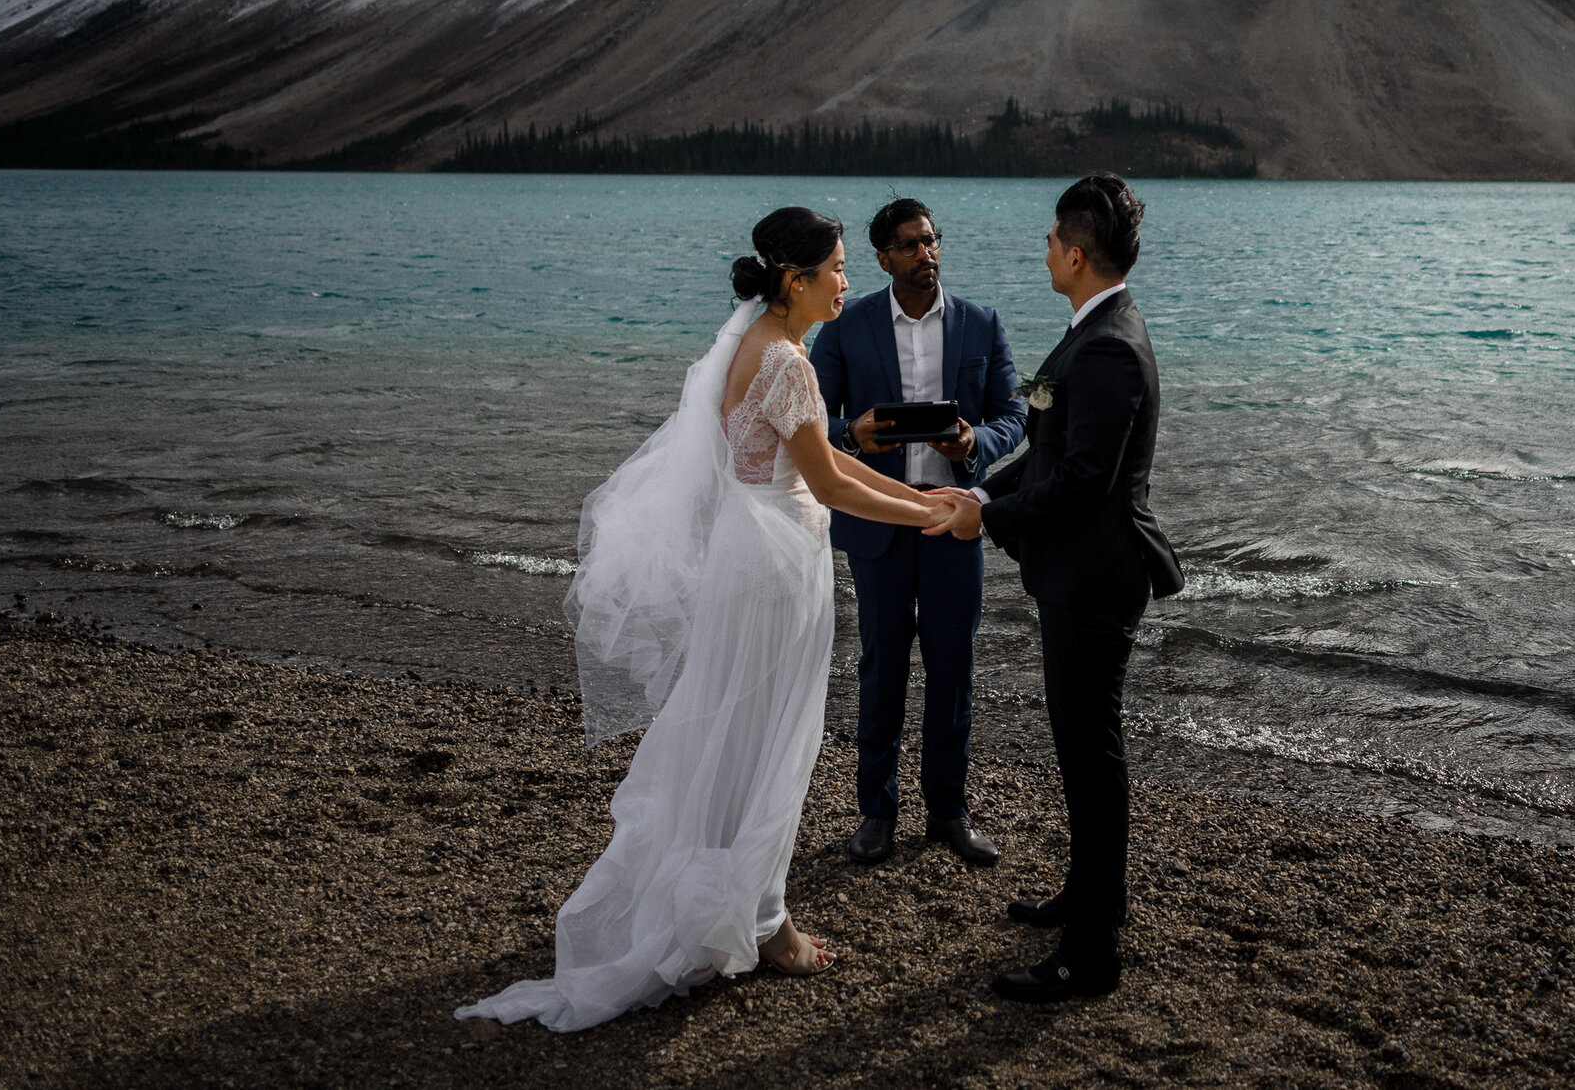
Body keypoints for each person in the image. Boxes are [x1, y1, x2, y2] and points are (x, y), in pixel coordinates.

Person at [458, 208, 952, 1032]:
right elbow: (828, 484)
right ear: (796, 280)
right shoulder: (788, 361)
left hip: (746, 552)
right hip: (775, 561)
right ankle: (765, 923)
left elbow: (810, 465)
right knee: (773, 739)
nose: (846, 280)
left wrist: (917, 498)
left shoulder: (749, 341)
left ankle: (740, 905)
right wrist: (926, 511)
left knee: (737, 729)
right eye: (835, 267)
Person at [926, 174, 1183, 1002]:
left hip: (1097, 578)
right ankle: (1088, 895)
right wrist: (978, 491)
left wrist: (984, 523)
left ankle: (1092, 951)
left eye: (1048, 241)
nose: (1042, 251)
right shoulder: (1084, 333)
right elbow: (1043, 452)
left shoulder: (1108, 346)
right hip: (1073, 571)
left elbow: (1080, 482)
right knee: (1080, 751)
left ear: (1075, 253)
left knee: (1092, 754)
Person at [811, 198, 1028, 867]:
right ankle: (876, 811)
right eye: (908, 245)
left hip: (950, 515)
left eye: (930, 241)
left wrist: (974, 441)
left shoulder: (981, 323)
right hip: (877, 516)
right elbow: (808, 418)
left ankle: (948, 810)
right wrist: (854, 432)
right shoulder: (849, 327)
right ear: (883, 258)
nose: (924, 254)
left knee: (952, 669)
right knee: (881, 669)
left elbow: (1015, 414)